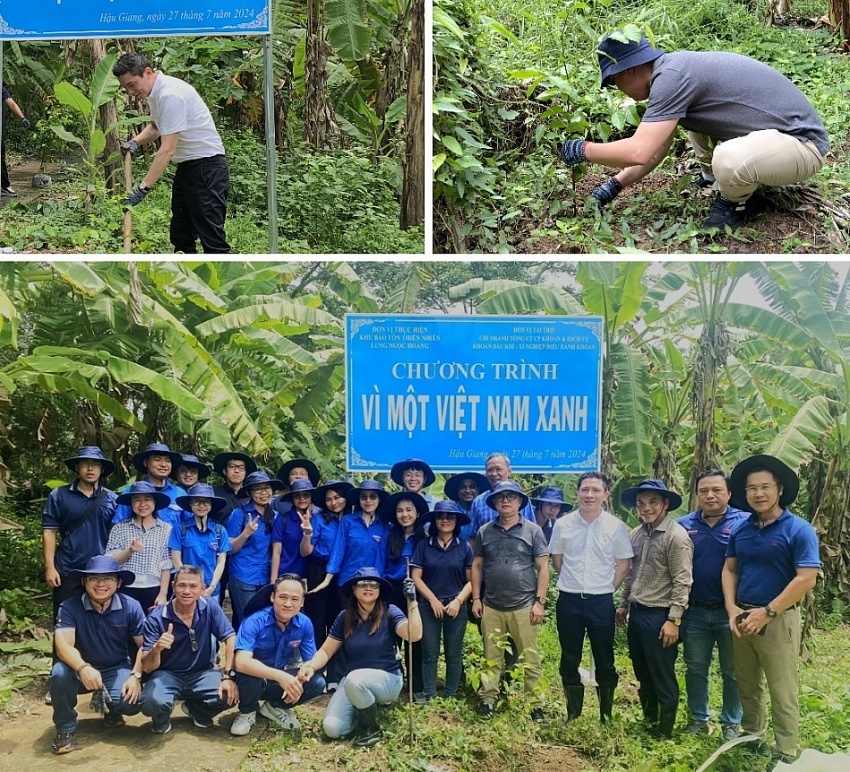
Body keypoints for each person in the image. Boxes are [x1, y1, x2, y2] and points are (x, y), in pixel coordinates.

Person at [559, 35, 829, 230]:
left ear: (628, 70)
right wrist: (614, 186)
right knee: (694, 122)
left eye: (614, 82)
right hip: (776, 140)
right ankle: (713, 177)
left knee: (728, 157)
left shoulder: (672, 78)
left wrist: (584, 150)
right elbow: (656, 150)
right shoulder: (673, 71)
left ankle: (734, 203)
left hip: (803, 146)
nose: (618, 90)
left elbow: (639, 152)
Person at [722, 455, 820, 762]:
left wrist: (768, 611)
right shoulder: (741, 529)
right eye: (752, 488)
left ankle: (785, 750)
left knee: (782, 688)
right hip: (743, 617)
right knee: (747, 684)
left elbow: (807, 578)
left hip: (778, 619)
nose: (758, 493)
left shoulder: (798, 530)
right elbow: (730, 570)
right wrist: (731, 608)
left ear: (779, 489)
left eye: (765, 487)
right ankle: (753, 736)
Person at [112, 53, 231, 253]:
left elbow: (167, 150)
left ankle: (224, 282)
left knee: (212, 239)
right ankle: (185, 279)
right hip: (188, 167)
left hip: (207, 168)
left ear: (148, 73)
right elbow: (156, 127)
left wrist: (142, 189)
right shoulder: (155, 94)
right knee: (181, 235)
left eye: (132, 85)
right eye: (125, 88)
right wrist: (134, 142)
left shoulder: (170, 95)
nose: (130, 92)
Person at [297, 567, 422, 747]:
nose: (368, 587)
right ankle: (361, 709)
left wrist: (412, 601)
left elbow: (414, 634)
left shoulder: (390, 612)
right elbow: (326, 651)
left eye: (374, 584)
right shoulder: (344, 617)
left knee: (355, 680)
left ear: (379, 591)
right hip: (353, 682)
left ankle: (371, 729)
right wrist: (310, 666)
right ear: (354, 589)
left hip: (388, 679)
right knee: (332, 728)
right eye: (363, 583)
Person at [549, 472, 633, 723]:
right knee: (569, 656)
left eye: (596, 490)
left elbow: (624, 565)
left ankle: (605, 715)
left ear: (605, 495)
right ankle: (572, 714)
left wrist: (608, 587)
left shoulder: (616, 527)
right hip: (570, 600)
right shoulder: (563, 524)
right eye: (585, 489)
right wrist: (572, 580)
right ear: (578, 493)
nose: (589, 495)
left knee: (605, 657)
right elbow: (557, 559)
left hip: (601, 601)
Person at [617, 479, 693, 739]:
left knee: (662, 673)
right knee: (643, 671)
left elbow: (683, 581)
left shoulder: (676, 536)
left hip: (660, 616)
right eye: (641, 503)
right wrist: (624, 603)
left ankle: (664, 731)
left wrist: (674, 620)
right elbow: (631, 573)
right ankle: (649, 721)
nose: (646, 508)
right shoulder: (637, 534)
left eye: (652, 502)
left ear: (665, 504)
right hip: (638, 612)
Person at [49, 555, 145, 755]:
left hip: (116, 666)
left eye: (108, 578)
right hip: (78, 669)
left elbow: (145, 645)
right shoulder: (69, 606)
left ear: (118, 583)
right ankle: (65, 728)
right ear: (84, 582)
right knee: (59, 674)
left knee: (131, 702)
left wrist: (136, 676)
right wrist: (83, 668)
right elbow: (63, 646)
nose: (101, 584)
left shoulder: (131, 606)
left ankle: (112, 709)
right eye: (94, 578)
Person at [471, 480, 549, 721]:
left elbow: (543, 567)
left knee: (530, 657)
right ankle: (488, 701)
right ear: (494, 502)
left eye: (511, 496)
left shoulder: (533, 530)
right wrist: (476, 598)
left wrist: (540, 602)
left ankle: (536, 705)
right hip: (492, 605)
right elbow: (477, 565)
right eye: (500, 497)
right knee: (491, 657)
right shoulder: (485, 531)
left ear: (519, 502)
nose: (505, 500)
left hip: (524, 605)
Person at [677, 469, 747, 739]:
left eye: (717, 490)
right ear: (696, 495)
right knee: (695, 667)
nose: (710, 495)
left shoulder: (745, 522)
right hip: (695, 610)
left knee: (732, 670)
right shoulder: (683, 525)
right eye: (704, 490)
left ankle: (731, 721)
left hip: (732, 611)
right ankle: (698, 718)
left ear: (729, 493)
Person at [139, 564, 238, 733]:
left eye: (193, 586)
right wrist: (157, 648)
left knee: (230, 693)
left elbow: (230, 637)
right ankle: (161, 719)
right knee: (150, 701)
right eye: (182, 585)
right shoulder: (156, 618)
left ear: (202, 588)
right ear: (173, 587)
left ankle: (197, 711)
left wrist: (228, 675)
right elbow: (147, 666)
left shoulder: (210, 607)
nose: (187, 591)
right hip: (167, 674)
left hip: (202, 672)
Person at [230, 575, 326, 736]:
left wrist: (307, 669)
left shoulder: (304, 623)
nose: (288, 604)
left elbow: (311, 658)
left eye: (295, 599)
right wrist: (281, 677)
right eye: (283, 597)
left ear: (302, 602)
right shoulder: (254, 621)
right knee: (249, 674)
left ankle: (275, 706)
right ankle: (247, 712)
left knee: (317, 681)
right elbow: (241, 662)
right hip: (251, 681)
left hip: (277, 681)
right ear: (273, 597)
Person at [42, 446, 118, 624]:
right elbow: (49, 532)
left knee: (100, 622)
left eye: (95, 464)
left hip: (101, 571)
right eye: (85, 464)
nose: (90, 469)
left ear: (102, 469)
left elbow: (118, 536)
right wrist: (50, 567)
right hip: (68, 568)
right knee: (65, 620)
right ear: (77, 467)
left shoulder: (112, 499)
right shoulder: (59, 495)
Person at [410, 501, 473, 701]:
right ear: (435, 521)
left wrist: (458, 601)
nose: (445, 520)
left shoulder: (464, 547)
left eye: (450, 517)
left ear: (456, 522)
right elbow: (416, 577)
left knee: (454, 654)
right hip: (428, 607)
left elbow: (472, 581)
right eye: (440, 517)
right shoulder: (423, 545)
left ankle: (451, 696)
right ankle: (429, 695)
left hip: (456, 607)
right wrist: (432, 600)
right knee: (430, 653)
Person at [376, 490, 428, 700]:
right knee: (391, 638)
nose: (404, 514)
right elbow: (380, 563)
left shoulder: (424, 538)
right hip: (392, 590)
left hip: (416, 592)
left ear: (416, 513)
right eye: (400, 510)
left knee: (415, 638)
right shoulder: (389, 535)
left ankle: (416, 686)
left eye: (408, 510)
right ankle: (392, 682)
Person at [226, 471, 283, 628]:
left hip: (266, 576)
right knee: (248, 620)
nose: (263, 493)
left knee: (266, 620)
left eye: (267, 488)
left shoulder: (275, 515)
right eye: (258, 489)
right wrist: (246, 533)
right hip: (243, 574)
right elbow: (229, 548)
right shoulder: (240, 514)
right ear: (250, 493)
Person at [106, 481, 174, 612]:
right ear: (131, 503)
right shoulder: (119, 528)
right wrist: (130, 550)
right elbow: (110, 562)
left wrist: (162, 594)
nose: (142, 504)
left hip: (153, 588)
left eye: (147, 499)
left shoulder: (166, 529)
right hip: (125, 588)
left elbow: (166, 565)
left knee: (152, 629)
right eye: (137, 500)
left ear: (154, 502)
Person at [312, 480, 390, 593]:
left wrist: (378, 582)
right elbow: (338, 550)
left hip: (370, 586)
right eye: (363, 497)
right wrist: (327, 579)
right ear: (359, 499)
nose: (368, 501)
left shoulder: (384, 527)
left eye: (372, 497)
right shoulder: (348, 521)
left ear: (379, 499)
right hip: (346, 581)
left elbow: (381, 559)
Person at [170, 483, 231, 603]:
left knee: (210, 620)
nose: (201, 506)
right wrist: (189, 585)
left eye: (206, 502)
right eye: (197, 501)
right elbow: (176, 559)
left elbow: (221, 562)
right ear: (190, 503)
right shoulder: (180, 529)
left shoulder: (219, 531)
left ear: (211, 505)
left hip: (211, 590)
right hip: (186, 591)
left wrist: (211, 587)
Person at [113, 443, 185, 527]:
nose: (163, 464)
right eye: (157, 459)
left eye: (167, 460)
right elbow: (118, 526)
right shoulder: (130, 492)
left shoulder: (180, 494)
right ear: (145, 463)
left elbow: (189, 526)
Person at [467, 453, 535, 541]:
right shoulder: (478, 502)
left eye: (499, 469)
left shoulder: (521, 499)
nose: (494, 474)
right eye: (490, 470)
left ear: (509, 471)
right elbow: (473, 537)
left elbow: (532, 533)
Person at [270, 478, 319, 581]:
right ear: (292, 499)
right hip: (287, 574)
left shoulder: (319, 518)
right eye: (297, 496)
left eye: (306, 495)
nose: (302, 499)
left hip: (313, 575)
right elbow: (276, 551)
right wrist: (273, 580)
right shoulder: (283, 519)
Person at [1, 83, 31, 197]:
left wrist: (22, 117)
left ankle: (5, 186)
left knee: (0, 159)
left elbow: (11, 103)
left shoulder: (0, 89)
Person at [443, 471, 488, 543]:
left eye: (472, 487)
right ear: (457, 490)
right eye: (463, 487)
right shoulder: (451, 512)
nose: (467, 491)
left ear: (478, 490)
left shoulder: (485, 512)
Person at [212, 451, 256, 519]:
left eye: (241, 468)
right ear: (225, 471)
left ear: (246, 473)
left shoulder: (252, 496)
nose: (237, 471)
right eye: (232, 467)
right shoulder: (214, 494)